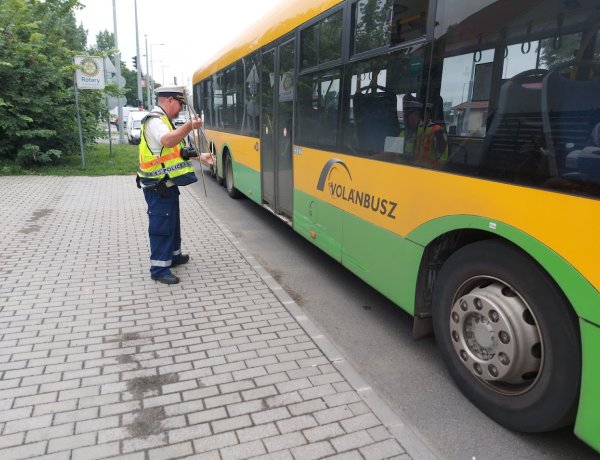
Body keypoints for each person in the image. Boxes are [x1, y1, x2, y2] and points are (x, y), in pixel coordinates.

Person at [136, 85, 205, 285]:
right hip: (157, 184)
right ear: (170, 101)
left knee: (172, 222)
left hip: (167, 183)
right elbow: (167, 142)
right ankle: (159, 269)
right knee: (161, 225)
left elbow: (179, 152)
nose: (181, 110)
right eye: (180, 106)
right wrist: (188, 127)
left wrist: (202, 156)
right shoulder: (155, 121)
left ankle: (173, 256)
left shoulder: (166, 120)